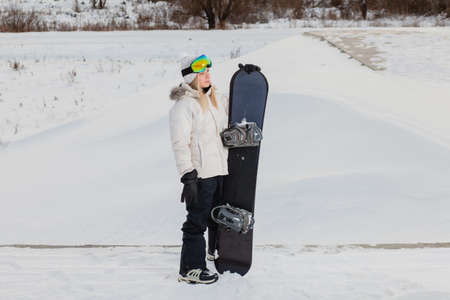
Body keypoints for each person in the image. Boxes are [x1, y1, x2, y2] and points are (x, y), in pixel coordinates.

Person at [169, 54, 229, 284]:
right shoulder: (184, 107)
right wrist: (188, 177)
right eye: (202, 72)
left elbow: (240, 102)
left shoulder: (215, 100)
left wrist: (246, 79)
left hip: (220, 171)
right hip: (201, 175)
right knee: (196, 222)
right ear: (191, 76)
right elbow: (180, 144)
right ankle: (190, 269)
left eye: (208, 71)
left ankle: (214, 252)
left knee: (218, 217)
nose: (208, 75)